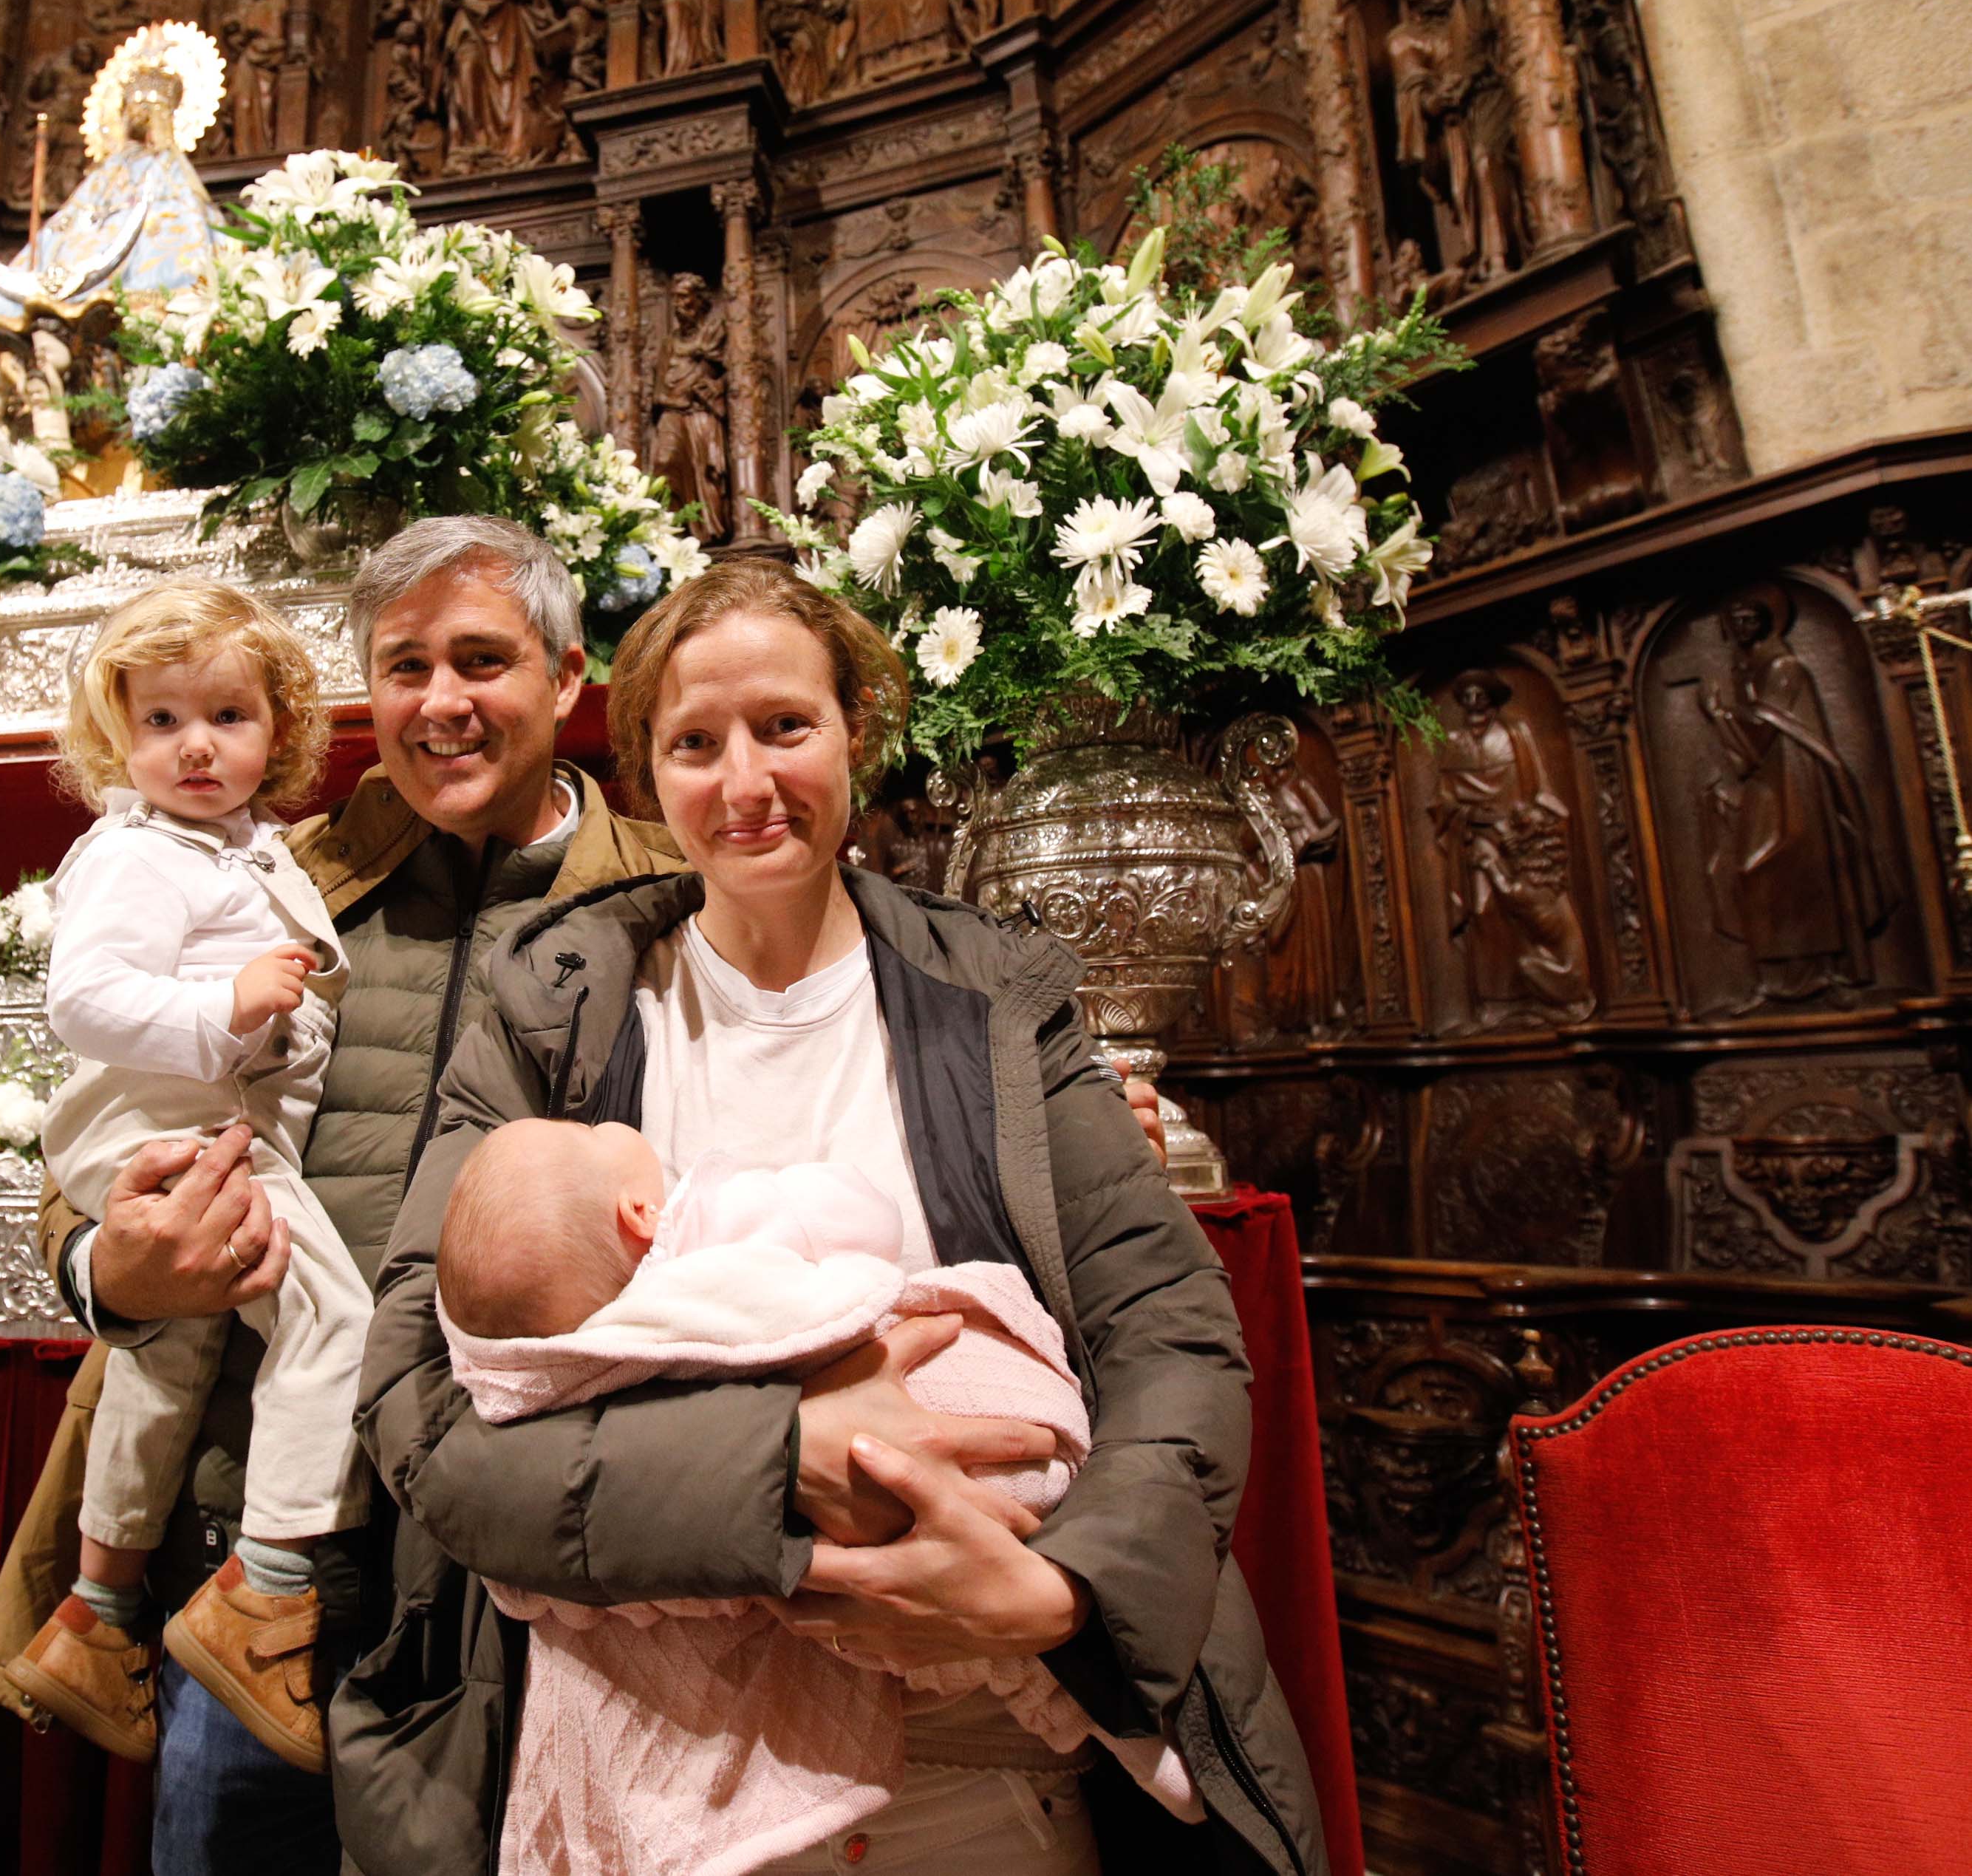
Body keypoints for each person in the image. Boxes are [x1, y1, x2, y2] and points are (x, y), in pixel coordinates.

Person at [344, 562, 1324, 1875]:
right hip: (664, 1764)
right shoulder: (551, 1008)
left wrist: (1062, 1589)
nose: (744, 781)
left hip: (992, 1762)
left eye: (785, 727)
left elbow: (1168, 1331)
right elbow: (420, 1402)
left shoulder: (990, 991)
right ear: (641, 770)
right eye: (694, 742)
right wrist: (774, 1465)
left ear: (857, 728)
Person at [0, 516, 683, 1875]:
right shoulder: (288, 884)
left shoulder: (662, 903)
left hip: (518, 1550)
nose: (441, 702)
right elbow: (106, 1139)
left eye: (482, 658)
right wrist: (109, 1269)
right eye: (403, 665)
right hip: (260, 1556)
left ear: (567, 673)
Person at [434, 1120, 1198, 1875]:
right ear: (639, 1217)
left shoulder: (583, 1340)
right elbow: (434, 1448)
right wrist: (786, 1454)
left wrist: (1060, 1594)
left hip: (984, 1776)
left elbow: (1174, 1342)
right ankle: (1115, 1714)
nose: (613, 1125)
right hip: (919, 1544)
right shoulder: (706, 1229)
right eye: (601, 1132)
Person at [6, 580, 366, 1773]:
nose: (196, 744)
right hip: (188, 1130)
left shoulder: (244, 842)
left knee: (171, 1349)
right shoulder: (134, 851)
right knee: (332, 1314)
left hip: (205, 1122)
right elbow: (81, 998)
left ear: (282, 726)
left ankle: (99, 1613)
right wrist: (224, 1006)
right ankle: (263, 1593)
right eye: (162, 720)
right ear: (119, 730)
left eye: (226, 713)